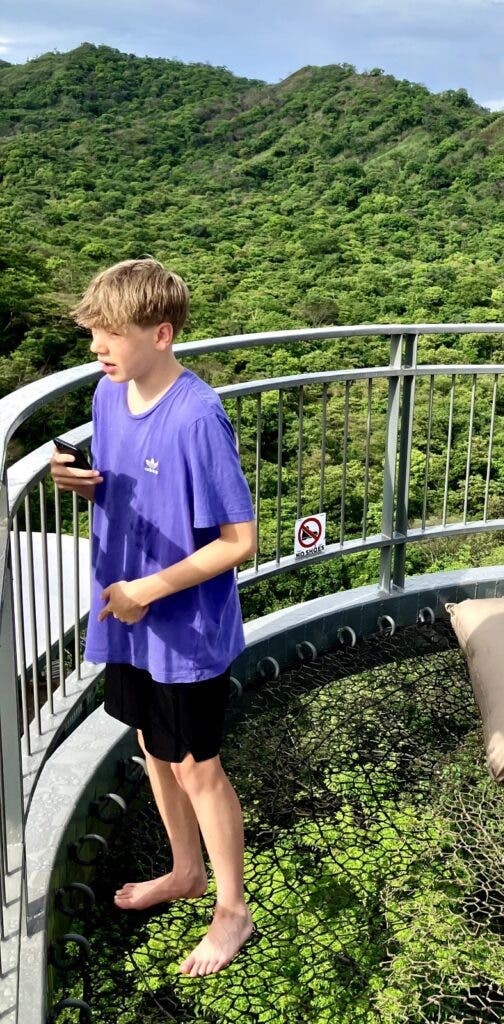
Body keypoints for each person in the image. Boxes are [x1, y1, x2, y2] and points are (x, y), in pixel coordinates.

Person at [50, 258, 257, 976]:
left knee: (200, 769)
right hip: (129, 614)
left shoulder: (198, 416)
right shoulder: (112, 395)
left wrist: (151, 590)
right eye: (93, 335)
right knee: (152, 745)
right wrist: (79, 482)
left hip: (184, 629)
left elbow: (240, 540)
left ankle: (233, 911)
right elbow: (126, 487)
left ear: (161, 333)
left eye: (109, 335)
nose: (96, 350)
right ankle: (184, 871)